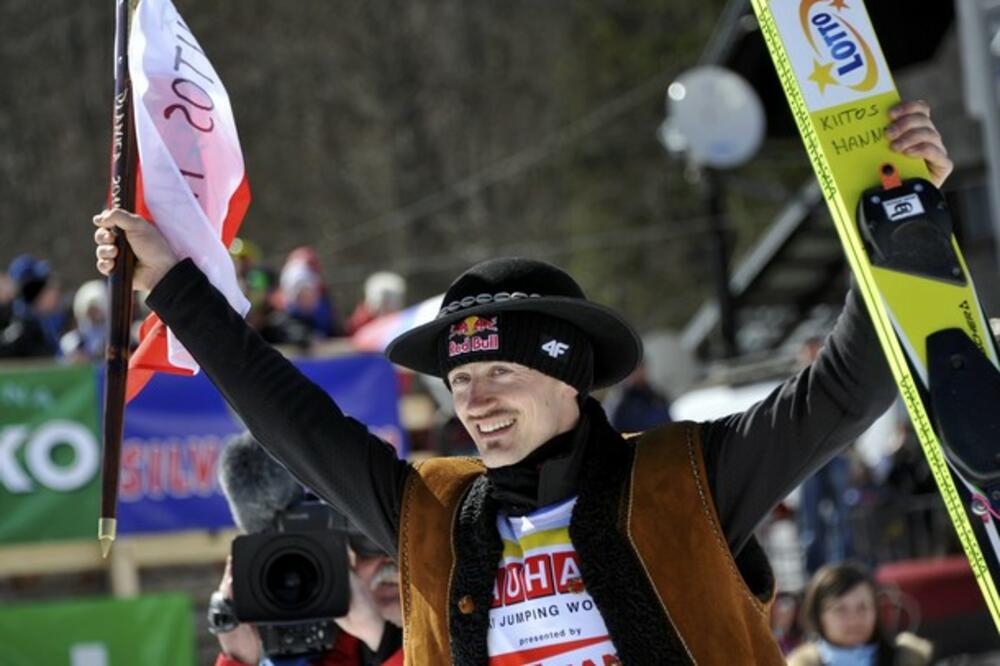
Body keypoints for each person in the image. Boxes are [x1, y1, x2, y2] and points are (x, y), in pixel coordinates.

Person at [94, 100, 950, 663]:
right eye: (460, 379)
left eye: (498, 371)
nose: (472, 400)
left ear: (568, 378)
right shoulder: (426, 508)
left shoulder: (686, 476)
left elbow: (842, 391)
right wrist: (171, 282)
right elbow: (285, 414)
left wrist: (903, 233)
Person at [786, 562, 932, 666]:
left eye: (863, 608)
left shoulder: (909, 659)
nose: (854, 619)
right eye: (840, 609)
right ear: (818, 615)